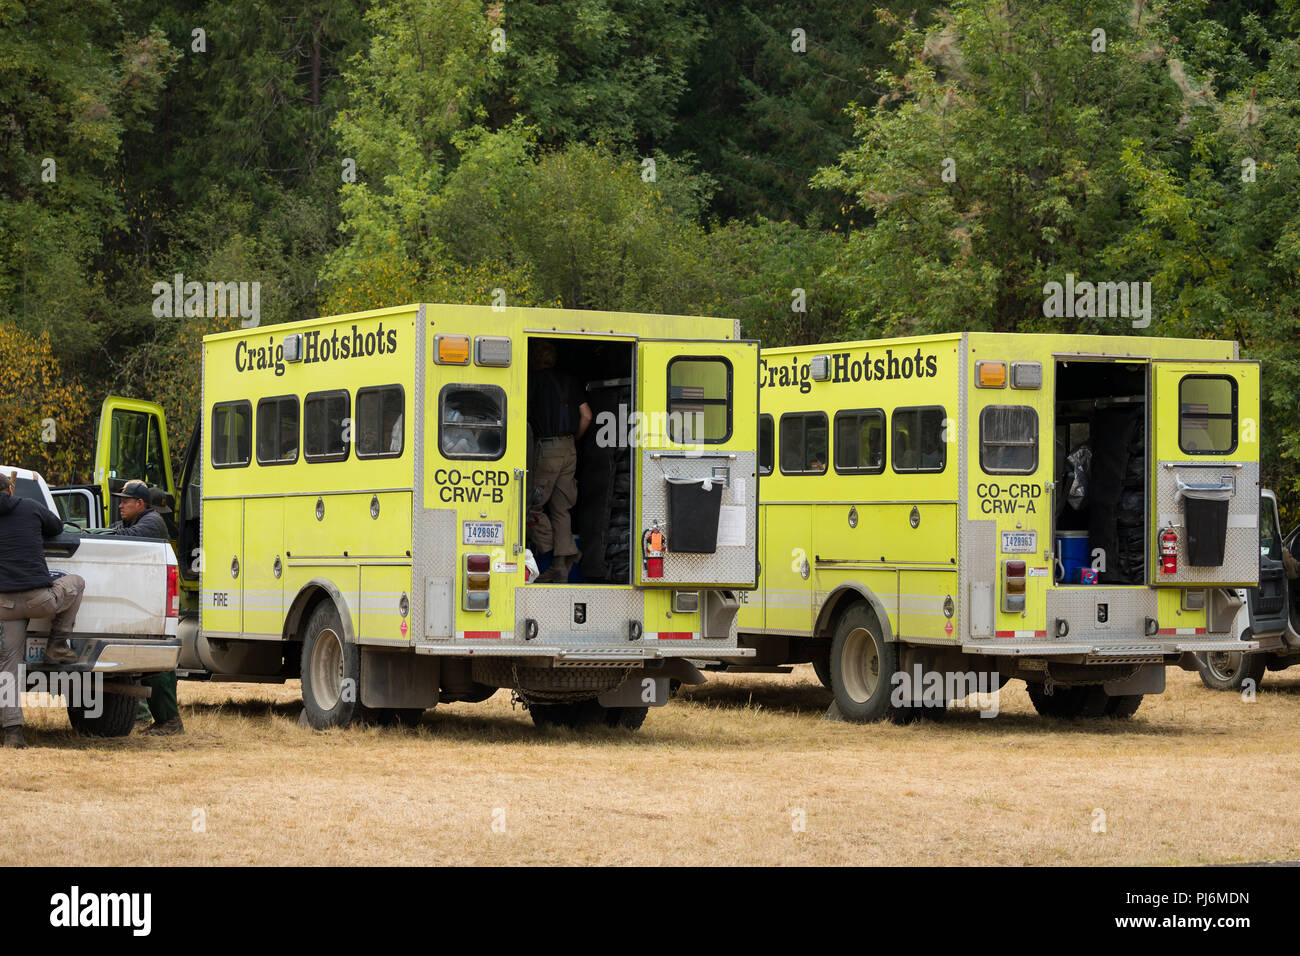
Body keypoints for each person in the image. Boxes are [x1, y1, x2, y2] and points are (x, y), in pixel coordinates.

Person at [0, 471, 85, 748]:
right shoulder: (30, 506)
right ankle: (57, 643)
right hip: (41, 601)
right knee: (76, 583)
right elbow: (57, 527)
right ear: (10, 490)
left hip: (5, 606)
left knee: (7, 667)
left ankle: (13, 733)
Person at [110, 480, 182, 734]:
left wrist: (107, 533)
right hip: (141, 600)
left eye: (125, 501)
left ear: (140, 503)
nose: (120, 505)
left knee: (157, 664)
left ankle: (170, 721)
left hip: (154, 602)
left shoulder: (151, 522)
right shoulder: (132, 522)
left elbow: (123, 539)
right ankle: (152, 718)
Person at [527, 341, 592, 583]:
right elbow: (587, 415)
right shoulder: (570, 381)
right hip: (569, 448)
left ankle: (548, 549)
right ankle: (561, 565)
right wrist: (573, 439)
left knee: (531, 506)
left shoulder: (534, 382)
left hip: (547, 448)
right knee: (561, 508)